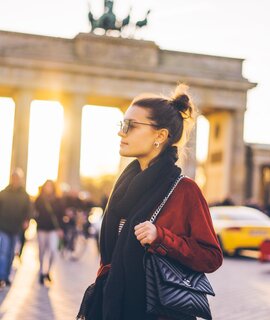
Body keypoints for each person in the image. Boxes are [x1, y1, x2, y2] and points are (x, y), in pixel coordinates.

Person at [78, 84, 223, 320]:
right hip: (111, 306)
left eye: (130, 126)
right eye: (122, 125)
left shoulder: (185, 190)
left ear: (160, 135)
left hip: (157, 311)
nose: (121, 133)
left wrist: (162, 237)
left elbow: (211, 256)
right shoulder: (123, 185)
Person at [0, 168, 30, 288]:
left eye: (18, 178)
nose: (15, 180)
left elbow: (28, 210)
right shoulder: (4, 193)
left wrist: (27, 220)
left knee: (11, 253)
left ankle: (7, 276)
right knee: (3, 251)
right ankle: (1, 276)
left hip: (16, 228)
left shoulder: (25, 195)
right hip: (3, 226)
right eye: (14, 178)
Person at [34, 180, 64, 285]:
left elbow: (61, 215)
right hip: (41, 228)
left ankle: (48, 271)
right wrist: (37, 220)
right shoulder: (39, 199)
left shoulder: (58, 200)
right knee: (41, 251)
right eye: (47, 186)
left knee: (53, 250)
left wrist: (61, 229)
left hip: (53, 230)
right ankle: (41, 271)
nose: (48, 188)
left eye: (50, 186)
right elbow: (34, 212)